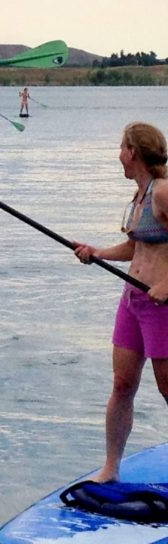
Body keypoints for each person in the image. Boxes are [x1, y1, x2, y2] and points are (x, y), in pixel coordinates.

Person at [73, 123, 168, 483]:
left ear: (133, 152)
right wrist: (98, 253)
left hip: (161, 306)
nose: (118, 155)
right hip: (133, 302)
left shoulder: (163, 192)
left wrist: (167, 283)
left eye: (121, 148)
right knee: (122, 385)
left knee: (167, 388)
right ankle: (111, 468)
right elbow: (135, 247)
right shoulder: (139, 196)